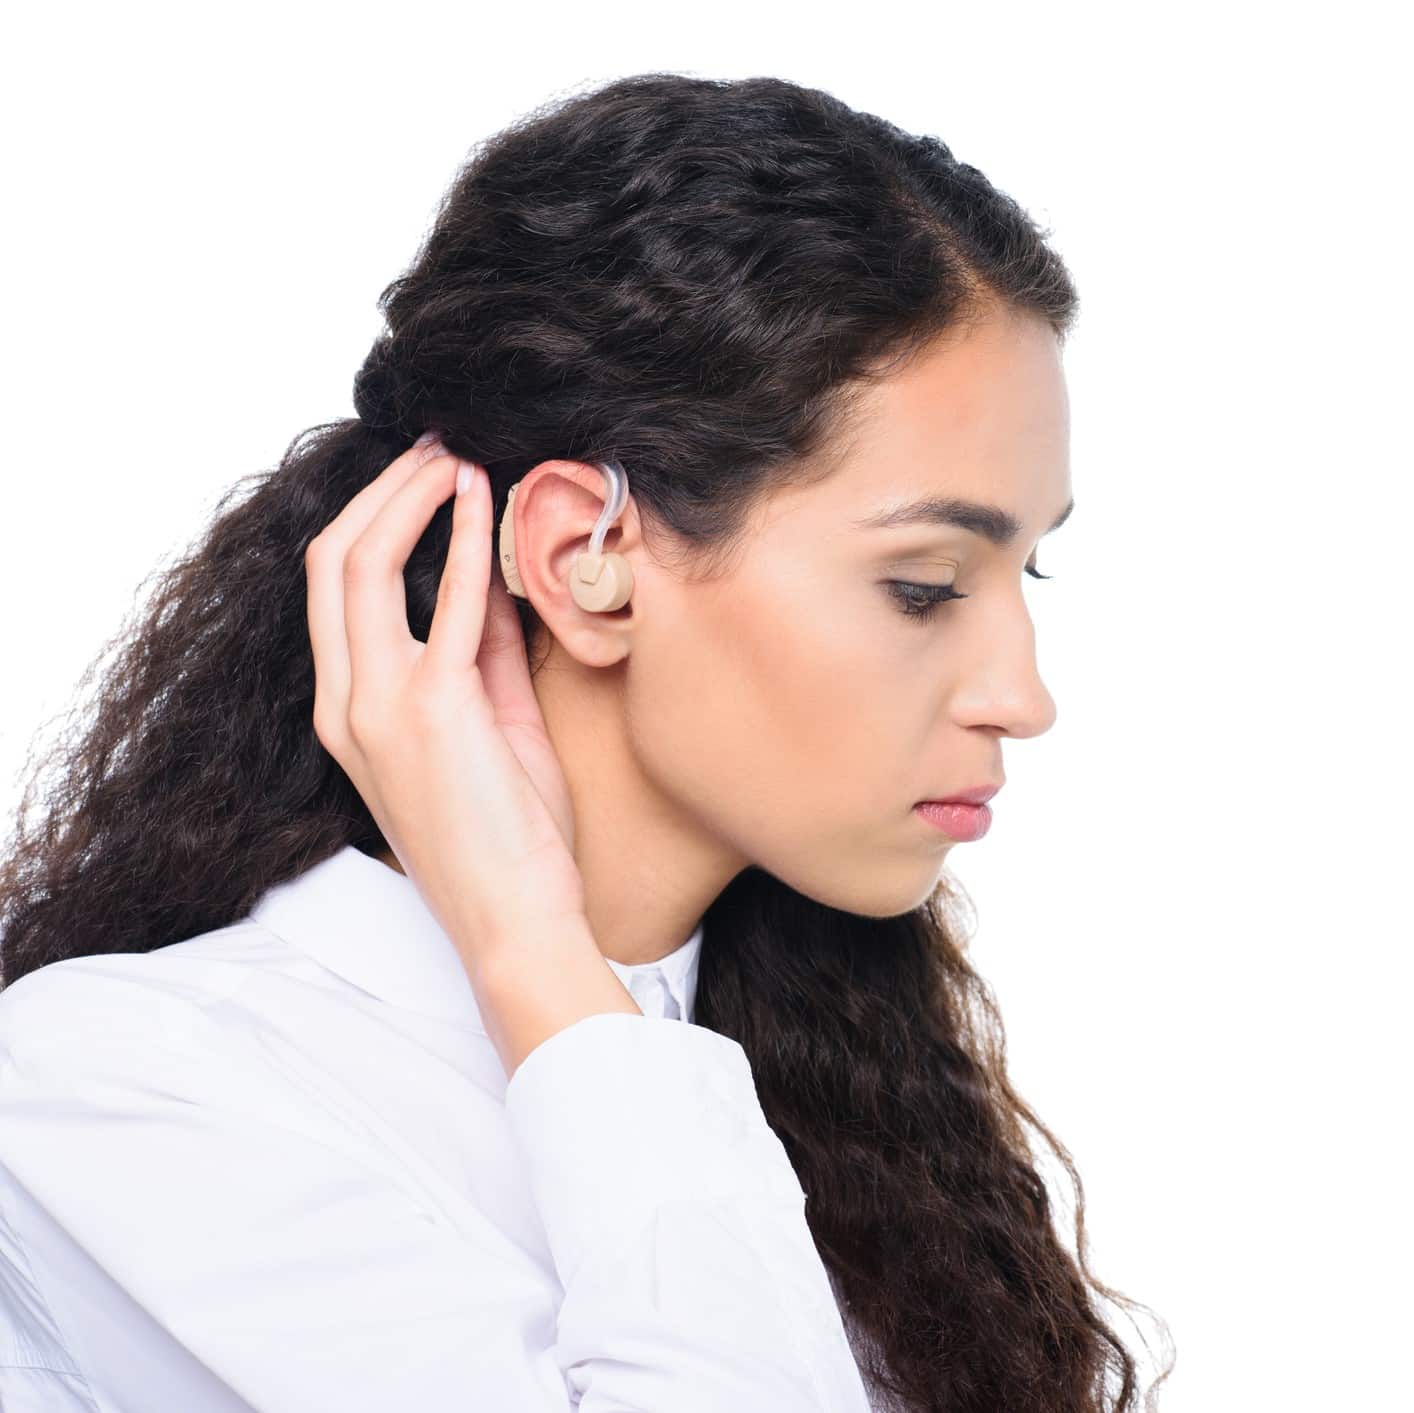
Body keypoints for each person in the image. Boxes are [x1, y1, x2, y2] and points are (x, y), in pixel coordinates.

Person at [0, 72, 1171, 1412]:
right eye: (923, 583)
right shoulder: (126, 1083)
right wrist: (532, 953)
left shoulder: (852, 1114)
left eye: (1029, 573)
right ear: (586, 552)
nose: (1021, 695)